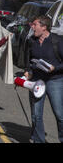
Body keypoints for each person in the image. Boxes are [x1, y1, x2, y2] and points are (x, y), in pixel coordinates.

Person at [24, 15, 63, 143]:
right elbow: (27, 60)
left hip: (54, 80)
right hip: (37, 80)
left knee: (59, 114)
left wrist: (55, 68)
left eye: (35, 24)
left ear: (44, 27)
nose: (32, 27)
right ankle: (39, 140)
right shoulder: (31, 41)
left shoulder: (57, 41)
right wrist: (28, 71)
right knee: (36, 115)